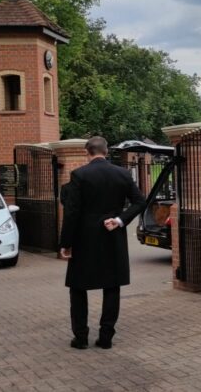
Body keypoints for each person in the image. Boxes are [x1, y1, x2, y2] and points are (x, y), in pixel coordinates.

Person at [59, 136, 146, 350]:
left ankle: (80, 338)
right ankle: (106, 337)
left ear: (87, 152)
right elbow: (140, 202)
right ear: (106, 151)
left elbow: (71, 212)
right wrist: (119, 220)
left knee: (78, 288)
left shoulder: (79, 175)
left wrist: (66, 243)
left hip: (84, 238)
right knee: (111, 286)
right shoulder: (122, 174)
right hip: (112, 235)